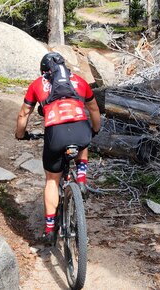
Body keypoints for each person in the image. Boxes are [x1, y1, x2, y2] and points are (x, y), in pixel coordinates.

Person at [15, 52, 101, 244]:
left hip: (56, 135)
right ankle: (81, 177)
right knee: (84, 139)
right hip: (80, 131)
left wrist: (21, 134)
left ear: (44, 71)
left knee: (52, 181)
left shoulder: (38, 84)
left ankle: (49, 228)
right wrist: (95, 130)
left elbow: (24, 114)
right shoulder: (79, 81)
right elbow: (94, 109)